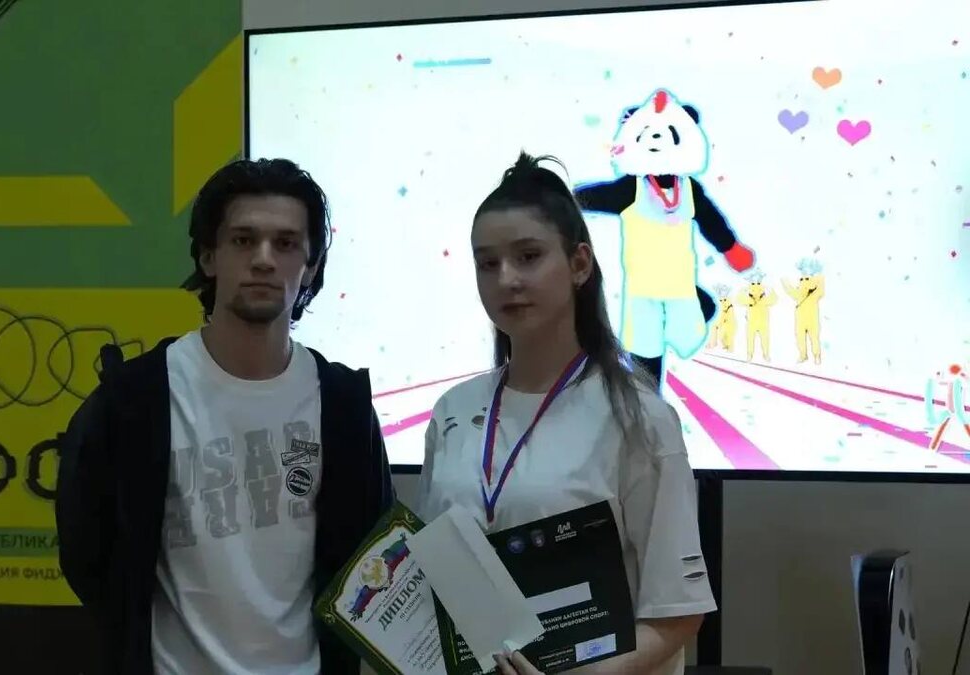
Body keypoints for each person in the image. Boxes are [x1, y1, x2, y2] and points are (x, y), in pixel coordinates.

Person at [55, 158, 395, 675]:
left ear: (311, 267)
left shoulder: (344, 405)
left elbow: (373, 557)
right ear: (209, 256)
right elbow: (87, 553)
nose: (263, 259)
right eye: (243, 240)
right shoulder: (134, 399)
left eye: (286, 243)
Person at [416, 152, 715, 675]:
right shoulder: (452, 413)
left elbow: (678, 614)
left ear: (579, 264)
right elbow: (434, 588)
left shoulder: (637, 417)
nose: (506, 278)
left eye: (528, 256)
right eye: (487, 263)